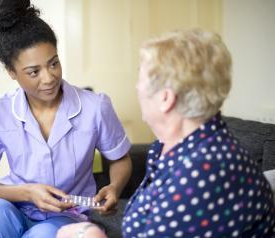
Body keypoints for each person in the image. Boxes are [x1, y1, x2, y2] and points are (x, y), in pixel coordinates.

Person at [57, 29, 275, 238]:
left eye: (140, 79)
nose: (137, 88)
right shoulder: (169, 147)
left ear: (165, 98)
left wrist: (90, 234)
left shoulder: (205, 171)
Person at [0, 0, 132, 237]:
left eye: (53, 63)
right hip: (13, 206)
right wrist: (27, 193)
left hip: (66, 216)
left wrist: (114, 187)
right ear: (11, 72)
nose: (49, 78)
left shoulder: (95, 107)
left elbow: (120, 159)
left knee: (42, 234)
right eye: (34, 72)